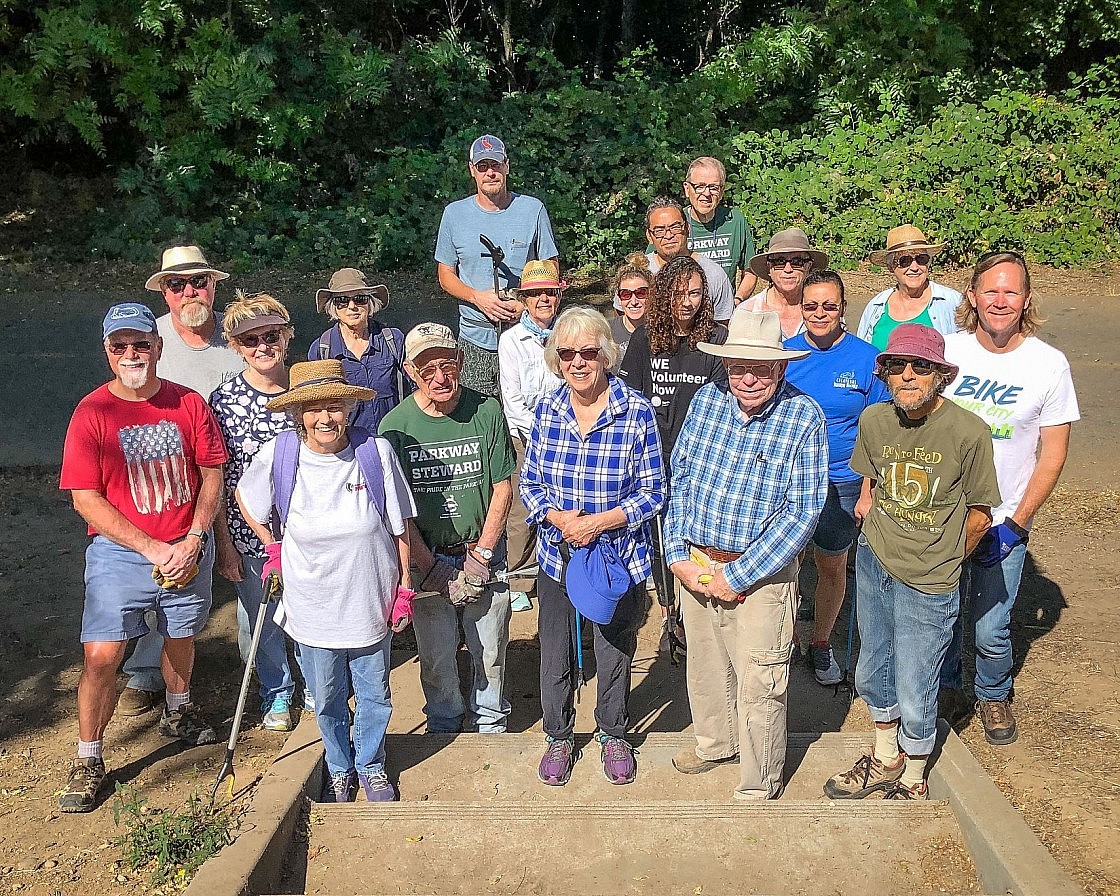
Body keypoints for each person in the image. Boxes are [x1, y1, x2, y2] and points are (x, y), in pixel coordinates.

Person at [57, 303, 226, 813]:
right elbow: (85, 498)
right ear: (108, 352)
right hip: (121, 553)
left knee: (181, 637)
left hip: (187, 543)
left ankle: (178, 710)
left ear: (157, 346)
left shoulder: (188, 404)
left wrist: (195, 536)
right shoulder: (92, 413)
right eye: (120, 346)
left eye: (141, 344)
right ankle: (89, 757)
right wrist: (153, 547)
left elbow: (211, 472)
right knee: (102, 655)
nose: (132, 354)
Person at [826, 324, 999, 801]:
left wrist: (944, 560)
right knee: (872, 666)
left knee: (916, 675)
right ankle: (885, 756)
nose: (908, 375)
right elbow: (872, 477)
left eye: (921, 366)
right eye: (896, 366)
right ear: (882, 374)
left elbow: (981, 516)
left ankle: (915, 771)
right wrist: (867, 509)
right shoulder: (875, 421)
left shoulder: (969, 432)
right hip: (875, 559)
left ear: (940, 375)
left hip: (930, 576)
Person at [236, 361, 416, 802]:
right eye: (313, 409)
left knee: (375, 694)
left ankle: (371, 765)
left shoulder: (375, 453)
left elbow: (399, 528)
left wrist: (404, 589)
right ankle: (339, 766)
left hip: (370, 598)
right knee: (328, 696)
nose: (325, 419)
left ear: (348, 408)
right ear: (299, 414)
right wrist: (271, 545)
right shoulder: (279, 456)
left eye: (334, 407)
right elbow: (244, 498)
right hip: (312, 605)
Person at [664, 309, 827, 800]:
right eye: (738, 366)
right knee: (707, 667)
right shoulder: (706, 401)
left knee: (761, 678)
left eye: (760, 367)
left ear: (781, 367)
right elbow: (681, 480)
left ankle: (759, 781)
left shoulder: (805, 417)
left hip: (762, 574)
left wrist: (739, 575)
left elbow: (802, 513)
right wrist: (677, 556)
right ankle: (715, 743)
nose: (748, 378)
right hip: (697, 561)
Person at [520, 307, 665, 786]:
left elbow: (653, 491)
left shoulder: (637, 411)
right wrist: (559, 518)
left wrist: (601, 522)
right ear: (556, 358)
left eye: (587, 352)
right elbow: (531, 482)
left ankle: (613, 731)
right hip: (558, 554)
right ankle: (559, 735)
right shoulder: (547, 408)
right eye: (567, 353)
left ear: (606, 355)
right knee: (555, 649)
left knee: (614, 647)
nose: (578, 362)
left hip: (616, 555)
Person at [939, 252, 1079, 743]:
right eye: (990, 290)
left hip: (1003, 519)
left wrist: (1018, 521)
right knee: (944, 615)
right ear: (972, 296)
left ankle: (993, 695)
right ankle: (950, 688)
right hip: (943, 516)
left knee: (992, 628)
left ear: (1026, 300)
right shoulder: (947, 353)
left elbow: (1054, 451)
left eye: (1011, 292)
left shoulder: (1048, 364)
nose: (1000, 301)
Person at [119, 245, 246, 717]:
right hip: (170, 479)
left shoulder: (239, 337)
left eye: (197, 281)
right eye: (176, 284)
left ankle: (274, 665)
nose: (189, 291)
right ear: (164, 292)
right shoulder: (148, 341)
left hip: (237, 472)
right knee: (166, 572)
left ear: (214, 286)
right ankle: (148, 670)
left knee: (252, 568)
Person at [379, 323, 517, 734]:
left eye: (446, 365)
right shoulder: (395, 428)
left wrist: (483, 555)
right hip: (426, 559)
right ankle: (444, 719)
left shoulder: (486, 410)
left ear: (459, 361)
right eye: (427, 370)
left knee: (489, 648)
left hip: (481, 549)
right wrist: (429, 564)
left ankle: (490, 719)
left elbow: (502, 488)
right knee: (436, 654)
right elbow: (398, 512)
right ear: (409, 371)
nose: (440, 377)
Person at [783, 270, 889, 686]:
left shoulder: (868, 359)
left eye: (830, 305)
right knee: (787, 566)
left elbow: (879, 429)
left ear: (844, 309)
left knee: (832, 564)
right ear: (801, 309)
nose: (820, 313)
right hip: (791, 480)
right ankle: (786, 641)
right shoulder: (785, 355)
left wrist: (868, 487)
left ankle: (821, 642)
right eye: (811, 306)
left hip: (844, 479)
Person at [208, 292, 298, 731]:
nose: (262, 346)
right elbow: (221, 481)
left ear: (287, 335)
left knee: (311, 613)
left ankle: (323, 687)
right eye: (249, 340)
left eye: (270, 335)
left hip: (310, 532)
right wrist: (225, 545)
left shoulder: (307, 388)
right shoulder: (223, 401)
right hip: (250, 537)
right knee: (264, 621)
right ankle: (277, 693)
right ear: (235, 346)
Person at [435, 134, 559, 396]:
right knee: (477, 418)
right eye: (482, 167)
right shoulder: (454, 215)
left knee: (527, 410)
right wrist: (477, 298)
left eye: (496, 165)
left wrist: (525, 304)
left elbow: (551, 268)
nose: (490, 173)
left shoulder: (532, 209)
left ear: (507, 166)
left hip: (526, 334)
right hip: (474, 338)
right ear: (472, 170)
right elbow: (445, 274)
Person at [498, 260, 565, 612]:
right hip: (526, 437)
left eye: (549, 293)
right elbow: (512, 401)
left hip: (568, 434)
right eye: (535, 293)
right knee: (523, 508)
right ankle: (520, 578)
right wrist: (542, 435)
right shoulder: (511, 341)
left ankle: (559, 566)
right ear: (524, 299)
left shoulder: (567, 335)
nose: (543, 299)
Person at [309, 267, 410, 433]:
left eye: (360, 299)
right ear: (333, 306)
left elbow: (414, 390)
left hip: (394, 438)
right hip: (346, 445)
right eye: (342, 300)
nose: (351, 306)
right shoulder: (321, 350)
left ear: (370, 303)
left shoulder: (393, 340)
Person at [857, 225, 963, 350]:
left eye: (921, 259)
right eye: (905, 261)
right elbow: (861, 354)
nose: (914, 267)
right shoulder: (876, 307)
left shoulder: (952, 302)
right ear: (891, 267)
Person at [644, 197, 734, 323]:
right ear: (649, 236)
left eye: (675, 227)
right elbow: (623, 320)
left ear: (687, 228)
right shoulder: (639, 273)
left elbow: (723, 324)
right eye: (659, 230)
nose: (668, 236)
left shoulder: (713, 274)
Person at [680, 156, 757, 302]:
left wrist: (736, 301)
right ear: (687, 189)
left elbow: (750, 271)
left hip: (724, 310)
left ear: (722, 191)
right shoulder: (675, 221)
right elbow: (651, 266)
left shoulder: (735, 220)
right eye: (700, 186)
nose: (707, 194)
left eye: (713, 187)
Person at [740, 228, 828, 340]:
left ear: (808, 266)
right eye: (779, 262)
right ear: (769, 267)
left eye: (797, 261)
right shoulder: (748, 312)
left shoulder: (826, 311)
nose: (788, 269)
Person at [608, 253, 655, 358]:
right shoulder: (606, 331)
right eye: (626, 294)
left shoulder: (662, 331)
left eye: (641, 293)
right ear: (619, 298)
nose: (634, 301)